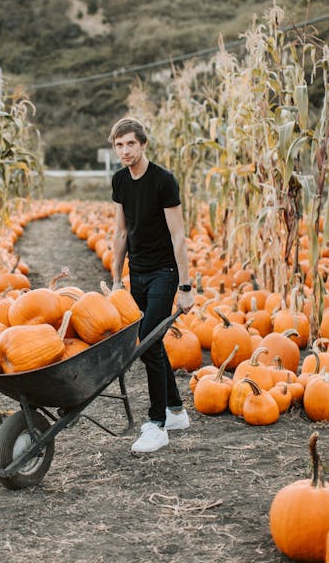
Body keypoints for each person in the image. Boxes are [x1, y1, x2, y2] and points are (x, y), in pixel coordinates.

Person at [108, 116, 194, 453]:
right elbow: (121, 231)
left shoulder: (163, 181)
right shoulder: (120, 181)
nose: (125, 150)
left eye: (130, 143)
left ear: (143, 144)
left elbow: (179, 235)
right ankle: (175, 411)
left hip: (164, 273)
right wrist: (116, 278)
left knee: (149, 341)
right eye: (119, 145)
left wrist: (186, 288)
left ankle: (157, 424)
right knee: (151, 343)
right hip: (137, 271)